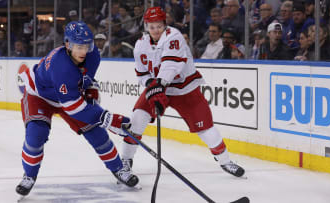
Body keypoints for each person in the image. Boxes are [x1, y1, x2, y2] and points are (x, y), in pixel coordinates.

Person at [15, 21, 139, 197]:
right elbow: (73, 108)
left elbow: (85, 80)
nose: (83, 51)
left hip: (68, 95)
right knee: (36, 135)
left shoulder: (93, 54)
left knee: (96, 133)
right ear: (67, 44)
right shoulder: (61, 65)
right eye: (78, 46)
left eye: (86, 46)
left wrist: (90, 90)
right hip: (40, 96)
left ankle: (119, 169)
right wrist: (108, 118)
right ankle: (29, 175)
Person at [120, 7, 245, 179]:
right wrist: (151, 85)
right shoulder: (141, 44)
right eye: (152, 26)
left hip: (184, 88)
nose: (156, 30)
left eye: (159, 26)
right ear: (146, 26)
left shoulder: (174, 36)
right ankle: (125, 161)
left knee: (206, 128)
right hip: (158, 88)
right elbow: (142, 73)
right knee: (137, 119)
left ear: (165, 24)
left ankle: (225, 161)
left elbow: (171, 65)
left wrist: (158, 85)